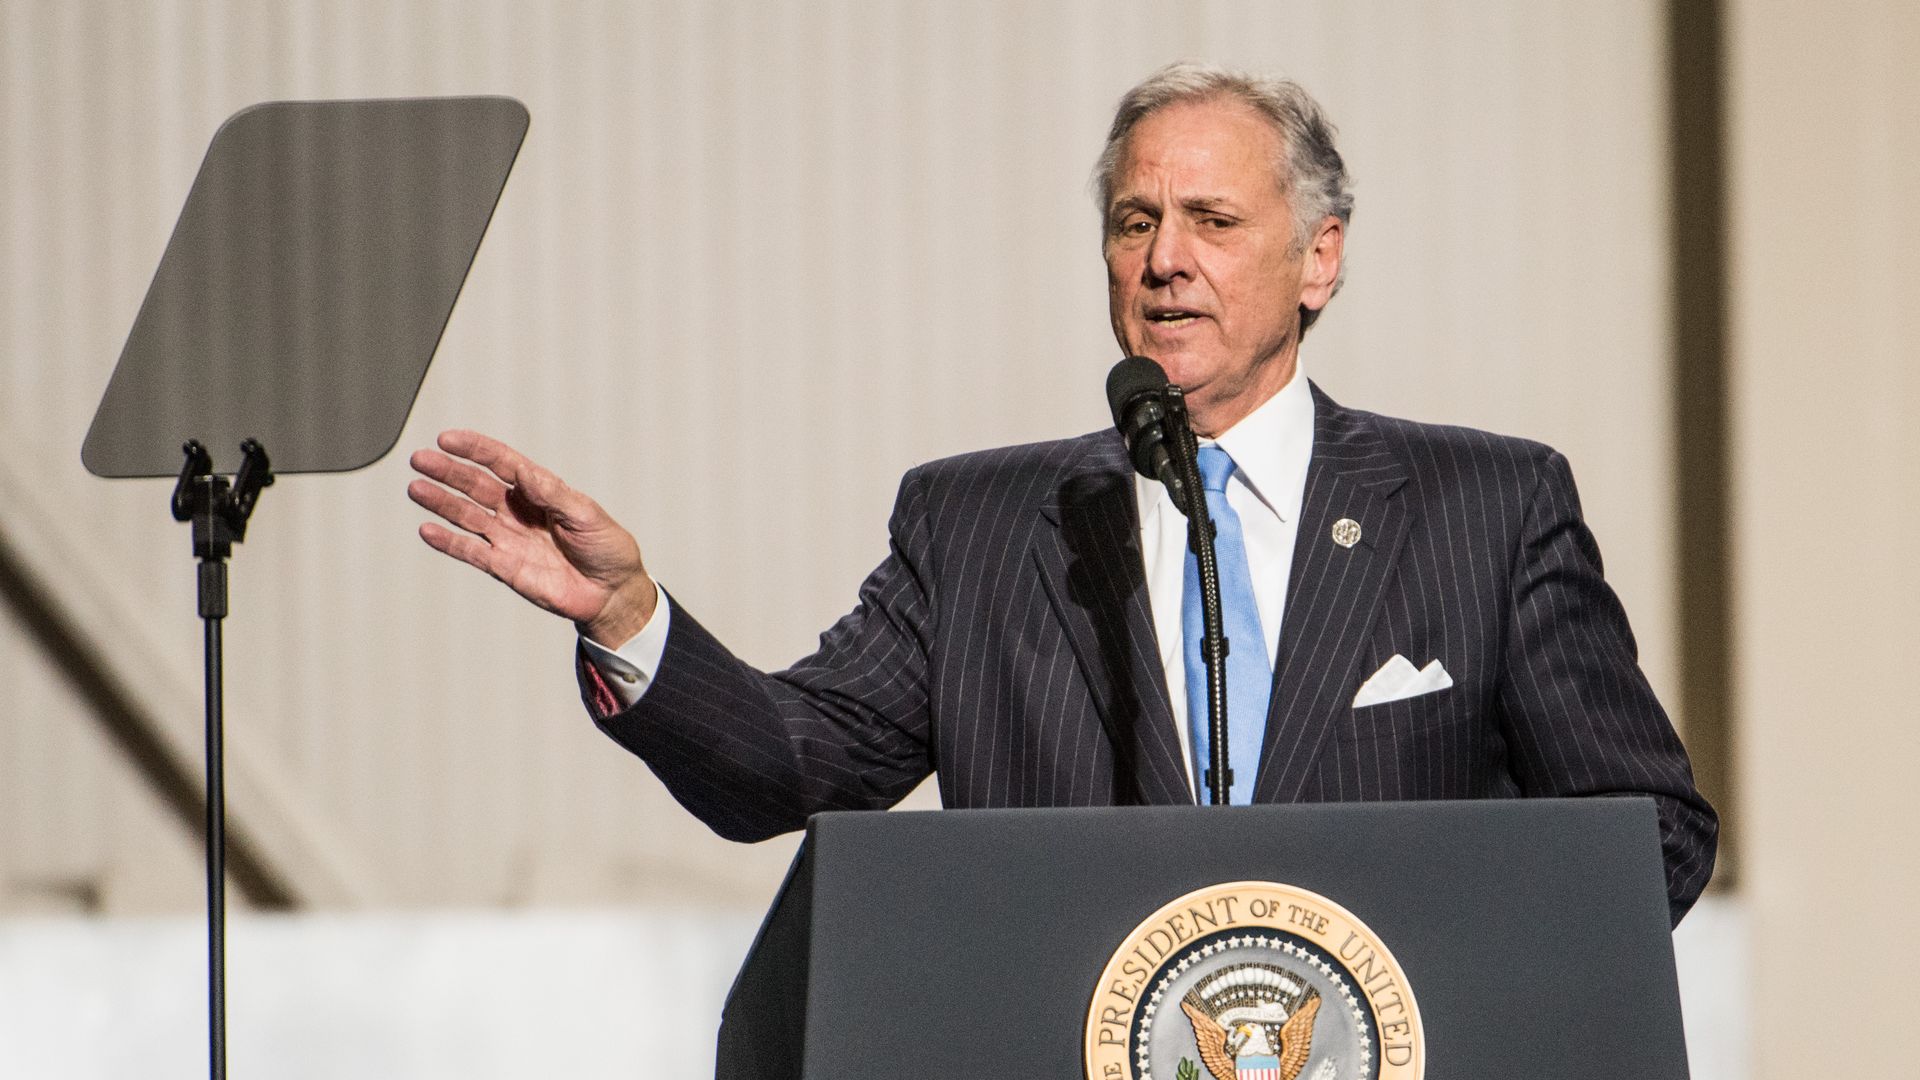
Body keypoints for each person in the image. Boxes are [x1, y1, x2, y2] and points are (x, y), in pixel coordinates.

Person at [408, 62, 1717, 923]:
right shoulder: (977, 530)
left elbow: (1648, 836)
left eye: (1212, 220)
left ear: (1319, 259)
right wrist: (631, 616)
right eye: (1134, 223)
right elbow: (790, 773)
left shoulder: (1484, 508)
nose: (1166, 263)